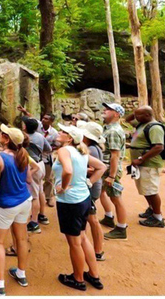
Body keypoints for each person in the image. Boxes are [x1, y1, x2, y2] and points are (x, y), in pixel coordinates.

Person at [53, 124, 106, 291]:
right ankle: (94, 275)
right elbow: (101, 167)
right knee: (82, 237)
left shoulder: (64, 151)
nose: (59, 132)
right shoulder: (81, 151)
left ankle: (77, 278)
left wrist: (63, 187)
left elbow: (68, 171)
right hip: (83, 199)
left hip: (70, 201)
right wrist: (88, 182)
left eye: (63, 132)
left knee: (74, 242)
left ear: (69, 138)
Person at [0, 124, 33, 296]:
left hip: (6, 204)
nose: (0, 134)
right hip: (24, 201)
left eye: (3, 133)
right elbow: (28, 178)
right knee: (21, 239)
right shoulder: (23, 155)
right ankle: (21, 274)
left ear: (6, 139)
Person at [126, 106, 165, 228]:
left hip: (149, 164)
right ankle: (151, 209)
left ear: (148, 115)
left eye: (139, 115)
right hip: (141, 164)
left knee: (151, 190)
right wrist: (135, 113)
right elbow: (127, 119)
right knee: (145, 189)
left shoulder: (154, 127)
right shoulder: (142, 124)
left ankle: (158, 217)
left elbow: (159, 147)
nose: (136, 118)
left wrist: (141, 159)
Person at [98, 103, 129, 240]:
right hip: (105, 168)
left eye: (109, 109)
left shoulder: (113, 132)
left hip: (110, 170)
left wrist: (111, 175)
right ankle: (109, 217)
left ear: (116, 114)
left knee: (116, 197)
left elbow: (114, 155)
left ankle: (121, 229)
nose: (105, 110)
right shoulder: (107, 128)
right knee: (101, 191)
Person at [78, 121, 106, 261]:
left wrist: (79, 167)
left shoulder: (92, 150)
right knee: (88, 218)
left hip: (91, 187)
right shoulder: (93, 147)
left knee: (92, 219)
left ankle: (98, 250)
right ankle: (91, 245)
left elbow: (95, 169)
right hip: (92, 187)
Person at [22, 116, 52, 232]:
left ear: (25, 126)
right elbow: (48, 149)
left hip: (32, 166)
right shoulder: (40, 136)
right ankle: (42, 215)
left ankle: (34, 223)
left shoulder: (24, 138)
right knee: (40, 190)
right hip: (41, 164)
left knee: (34, 196)